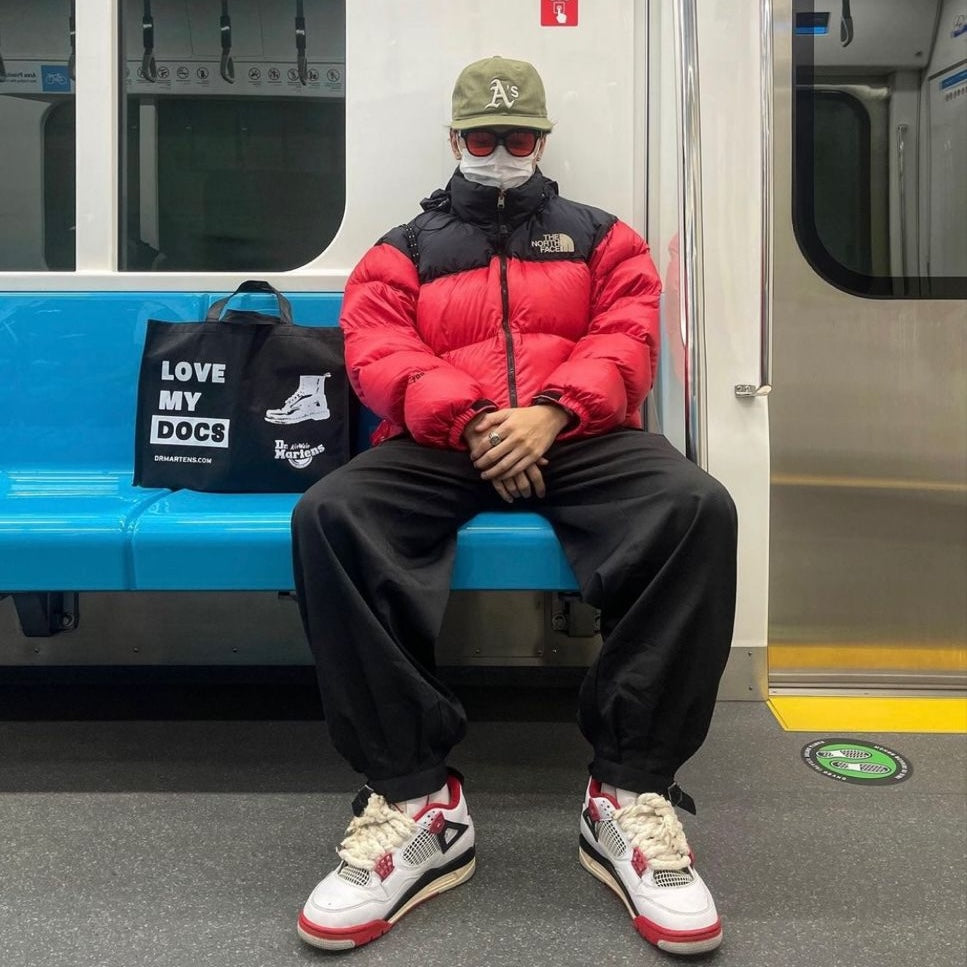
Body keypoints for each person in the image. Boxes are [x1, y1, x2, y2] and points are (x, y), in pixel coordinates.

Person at [291, 55, 737, 957]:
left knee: (696, 507)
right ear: (454, 138)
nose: (500, 152)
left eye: (518, 137)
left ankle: (628, 788)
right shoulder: (400, 249)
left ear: (542, 141)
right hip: (445, 437)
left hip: (575, 431)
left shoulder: (604, 239)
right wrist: (474, 421)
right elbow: (377, 351)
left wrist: (552, 411)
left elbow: (627, 336)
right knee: (331, 516)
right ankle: (416, 797)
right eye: (484, 137)